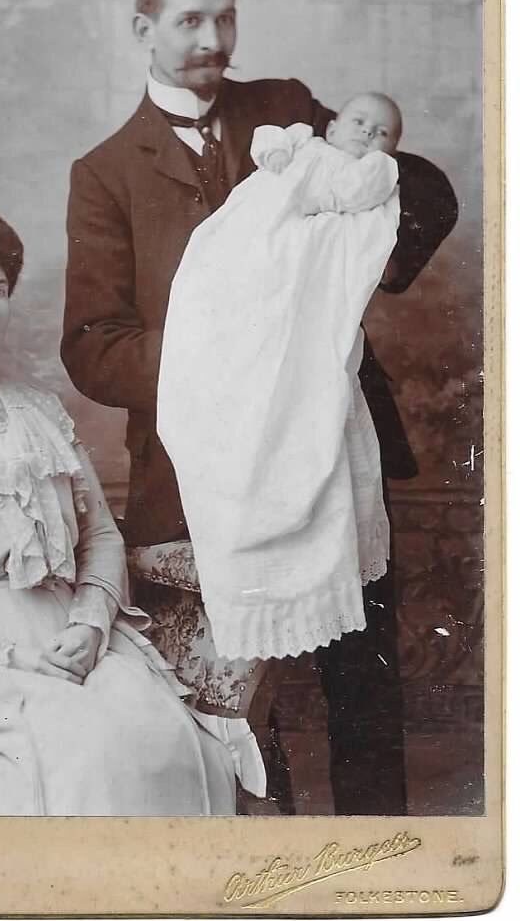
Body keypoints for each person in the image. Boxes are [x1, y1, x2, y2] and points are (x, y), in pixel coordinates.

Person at [61, 0, 458, 815]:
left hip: (329, 437)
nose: (214, 37)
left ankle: (372, 865)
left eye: (226, 16)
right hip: (200, 467)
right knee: (232, 719)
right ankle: (253, 876)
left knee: (360, 685)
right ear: (143, 31)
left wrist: (374, 199)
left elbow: (411, 200)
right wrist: (227, 351)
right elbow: (93, 346)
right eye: (190, 20)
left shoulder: (286, 109)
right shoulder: (105, 173)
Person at [0, 191, 238, 817]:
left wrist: (88, 624)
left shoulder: (41, 410)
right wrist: (10, 656)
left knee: (163, 736)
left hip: (73, 634)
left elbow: (101, 539)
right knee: (85, 747)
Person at [157, 94, 403, 662]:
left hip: (303, 299)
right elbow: (270, 140)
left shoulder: (370, 170)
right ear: (332, 123)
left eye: (383, 132)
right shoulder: (298, 140)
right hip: (242, 276)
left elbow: (362, 192)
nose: (368, 135)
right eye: (359, 122)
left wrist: (348, 188)